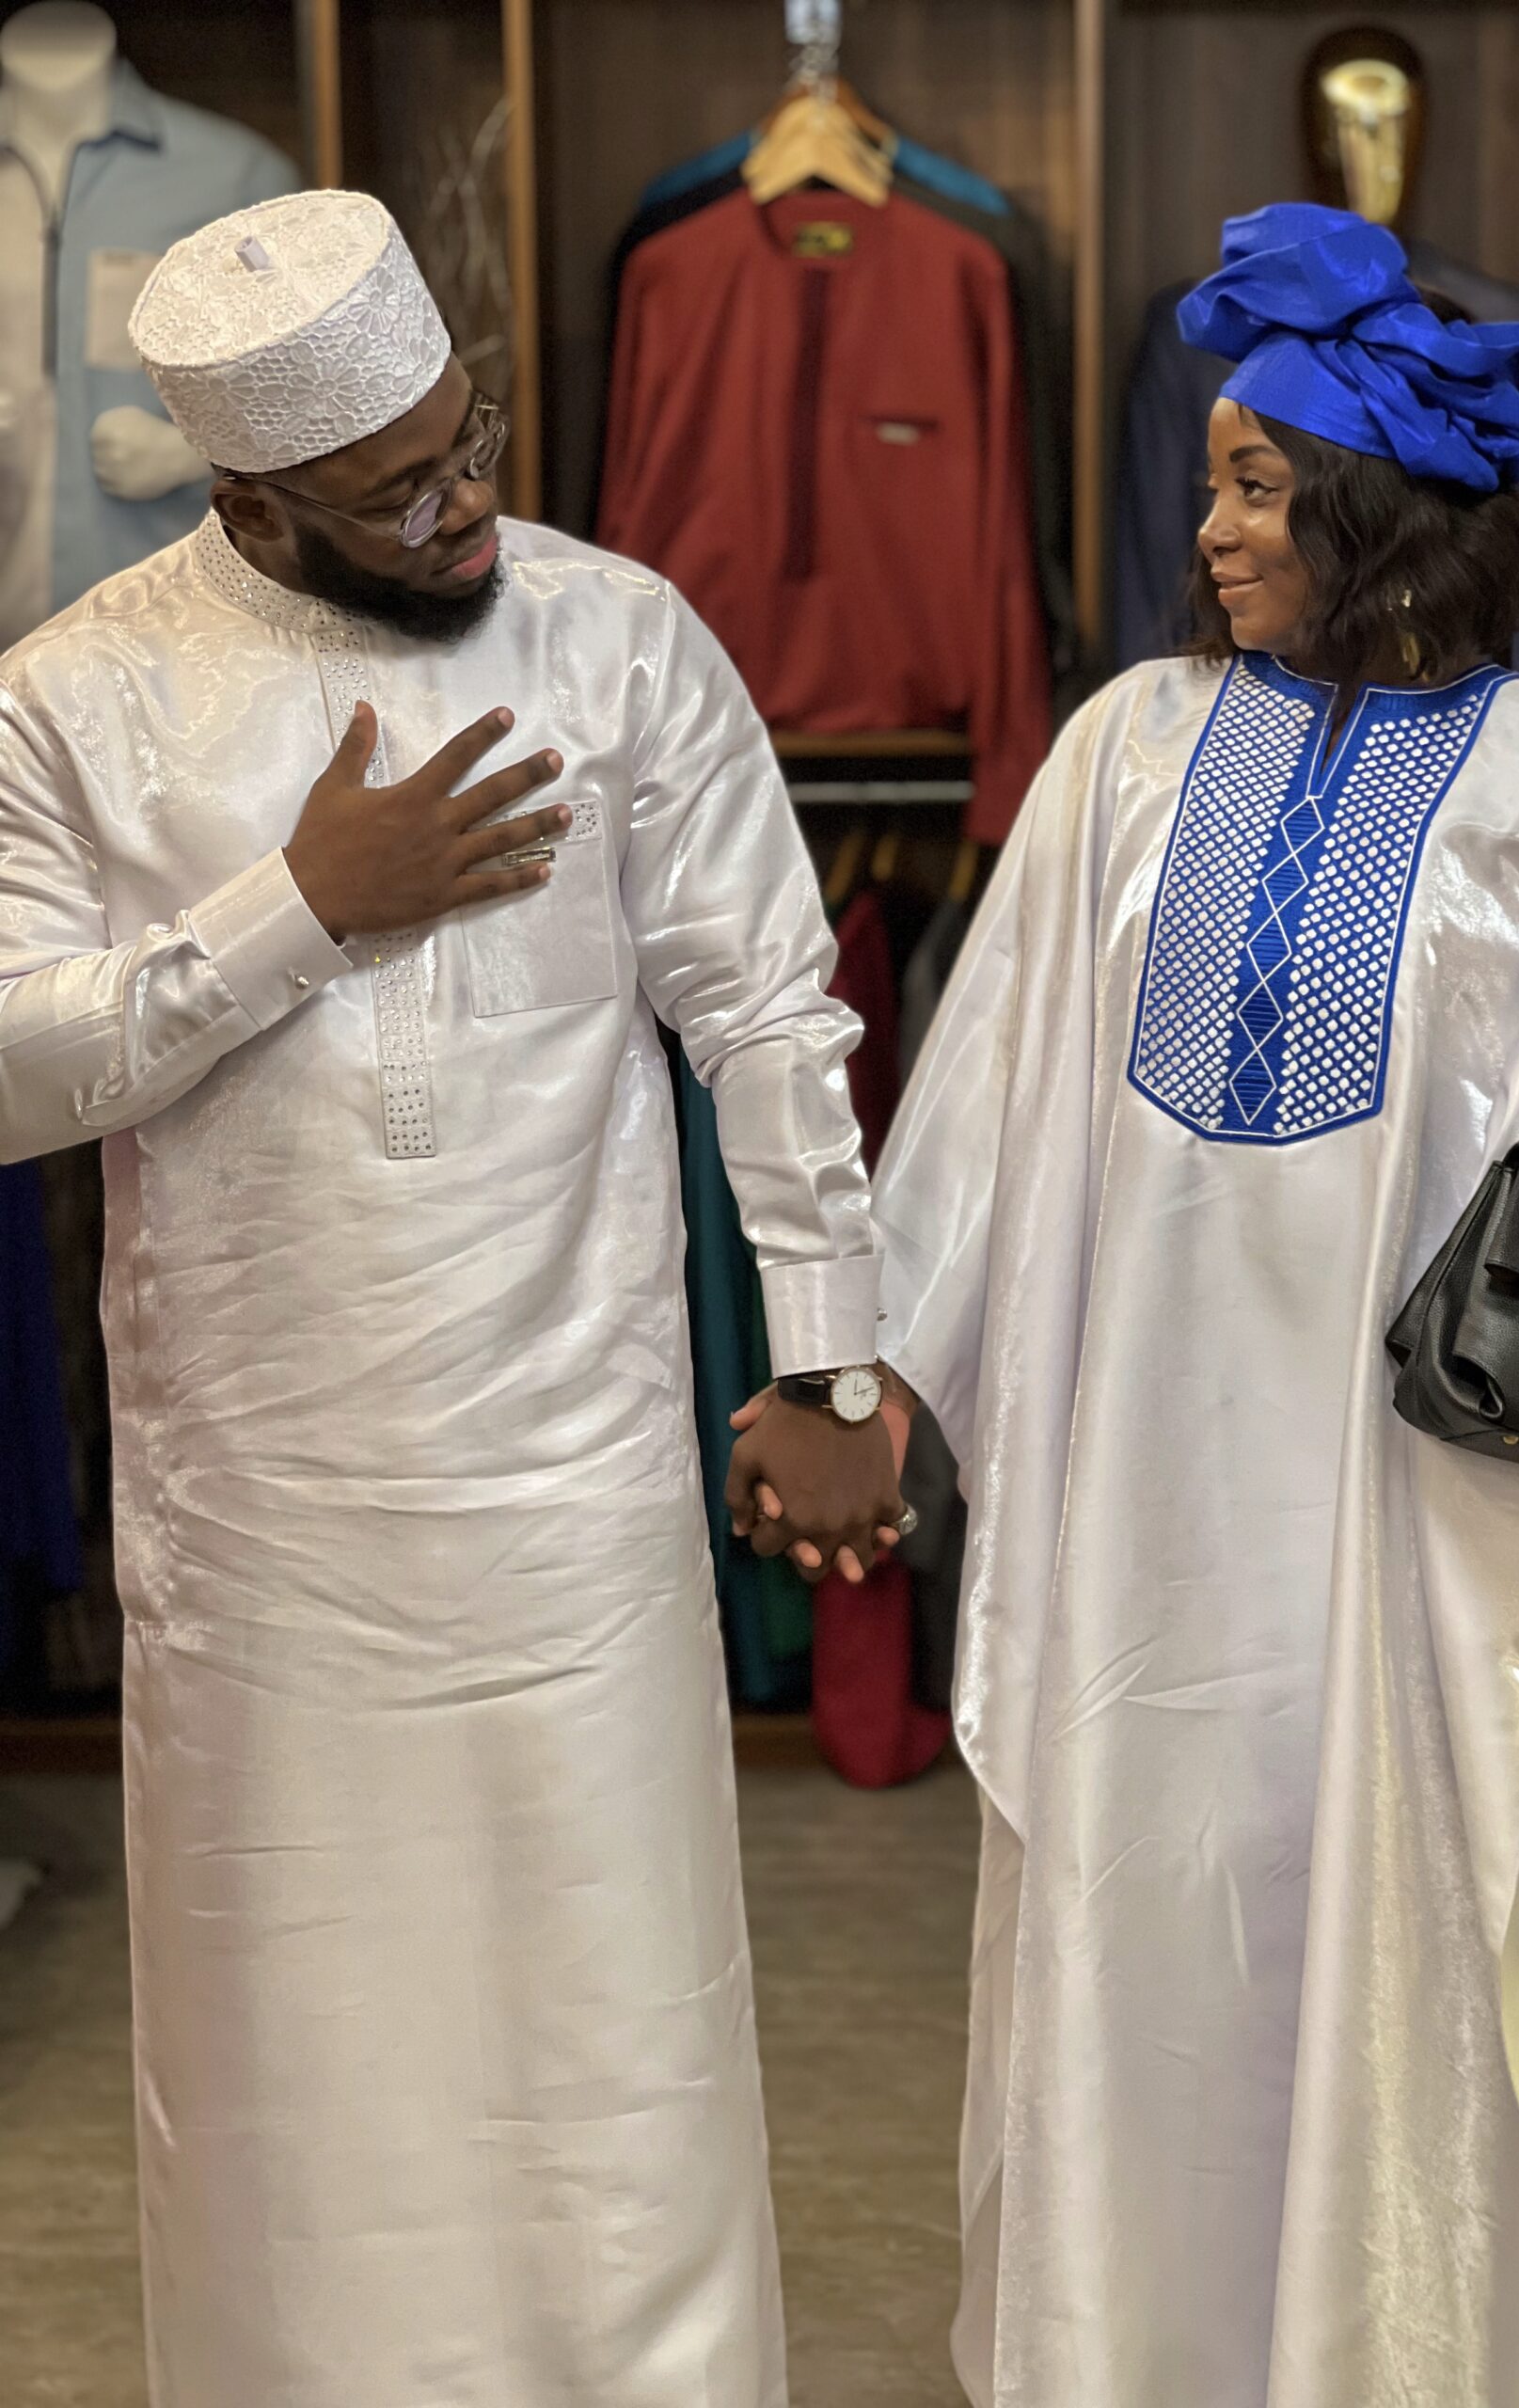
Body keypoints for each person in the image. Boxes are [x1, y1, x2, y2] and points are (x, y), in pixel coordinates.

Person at [871, 204, 1519, 2408]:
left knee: (1416, 1921)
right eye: (1212, 482)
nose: (1205, 529)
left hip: (1431, 1541)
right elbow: (980, 1109)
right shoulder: (1118, 755)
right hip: (1137, 1525)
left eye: (1256, 485)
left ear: (1376, 509)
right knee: (1154, 1916)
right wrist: (873, 1378)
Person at [0, 188, 901, 2408]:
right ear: (250, 505)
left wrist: (829, 1358)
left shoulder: (617, 639)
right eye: (395, 494)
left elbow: (771, 1006)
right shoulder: (77, 692)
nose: (465, 508)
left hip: (573, 1504)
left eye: (469, 442)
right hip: (265, 1541)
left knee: (614, 2056)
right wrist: (299, 908)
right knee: (303, 2082)